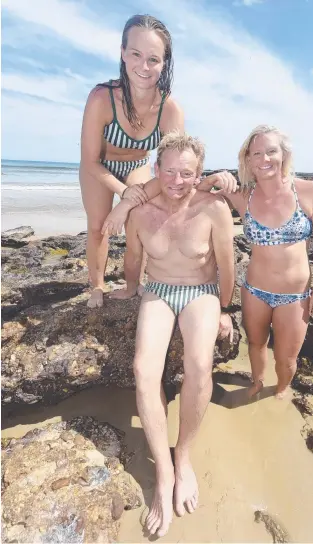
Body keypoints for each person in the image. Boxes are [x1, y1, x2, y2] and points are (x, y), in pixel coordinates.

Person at [113, 132, 235, 537]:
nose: (177, 180)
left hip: (200, 292)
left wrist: (225, 309)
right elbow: (133, 257)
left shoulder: (214, 208)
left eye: (187, 173)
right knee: (144, 369)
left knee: (199, 364)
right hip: (159, 290)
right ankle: (163, 475)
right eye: (169, 170)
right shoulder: (140, 212)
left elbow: (226, 266)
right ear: (156, 169)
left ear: (199, 173)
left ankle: (183, 457)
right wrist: (130, 289)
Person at [201, 125, 313, 399]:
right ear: (247, 160)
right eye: (257, 153)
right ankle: (257, 382)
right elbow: (198, 190)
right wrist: (215, 176)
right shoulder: (244, 195)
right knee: (255, 344)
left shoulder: (310, 192)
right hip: (254, 291)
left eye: (271, 151)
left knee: (286, 359)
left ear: (284, 154)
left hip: (294, 296)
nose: (264, 160)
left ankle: (282, 388)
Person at [79, 14, 184, 308]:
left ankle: (134, 284)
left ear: (164, 63)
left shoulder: (170, 110)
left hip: (137, 165)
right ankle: (97, 285)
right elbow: (89, 160)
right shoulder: (102, 98)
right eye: (136, 54)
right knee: (99, 225)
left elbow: (173, 170)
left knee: (144, 216)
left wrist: (127, 203)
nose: (144, 66)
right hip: (99, 167)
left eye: (154, 59)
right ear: (123, 53)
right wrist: (121, 192)